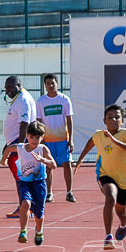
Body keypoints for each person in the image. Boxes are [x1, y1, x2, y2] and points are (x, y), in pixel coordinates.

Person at [73, 104, 126, 250]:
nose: (113, 120)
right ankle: (108, 237)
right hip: (104, 174)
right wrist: (80, 158)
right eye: (110, 117)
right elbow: (91, 142)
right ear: (104, 120)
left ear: (122, 120)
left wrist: (116, 141)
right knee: (110, 196)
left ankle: (124, 222)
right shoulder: (99, 135)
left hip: (124, 179)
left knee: (121, 212)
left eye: (117, 117)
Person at [0, 120, 56, 245]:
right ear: (27, 136)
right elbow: (8, 148)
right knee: (25, 203)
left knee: (39, 214)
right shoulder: (20, 147)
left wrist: (43, 159)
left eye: (37, 138)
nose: (34, 140)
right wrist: (3, 160)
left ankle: (39, 231)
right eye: (31, 137)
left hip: (39, 184)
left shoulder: (42, 149)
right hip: (24, 183)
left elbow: (54, 165)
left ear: (42, 137)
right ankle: (23, 231)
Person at [35, 73, 75, 203]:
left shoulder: (64, 99)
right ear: (45, 85)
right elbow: (38, 122)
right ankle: (49, 193)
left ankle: (69, 192)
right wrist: (40, 140)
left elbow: (69, 120)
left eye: (53, 83)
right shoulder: (41, 101)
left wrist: (71, 139)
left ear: (57, 84)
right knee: (48, 166)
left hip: (63, 139)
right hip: (48, 140)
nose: (50, 85)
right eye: (48, 83)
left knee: (67, 164)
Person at [2, 75, 37, 218]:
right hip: (14, 142)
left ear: (19, 84)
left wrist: (19, 147)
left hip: (19, 144)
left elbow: (24, 124)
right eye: (6, 88)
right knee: (21, 177)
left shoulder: (23, 99)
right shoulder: (19, 99)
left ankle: (25, 207)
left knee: (21, 177)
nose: (8, 90)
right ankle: (25, 206)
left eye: (10, 87)